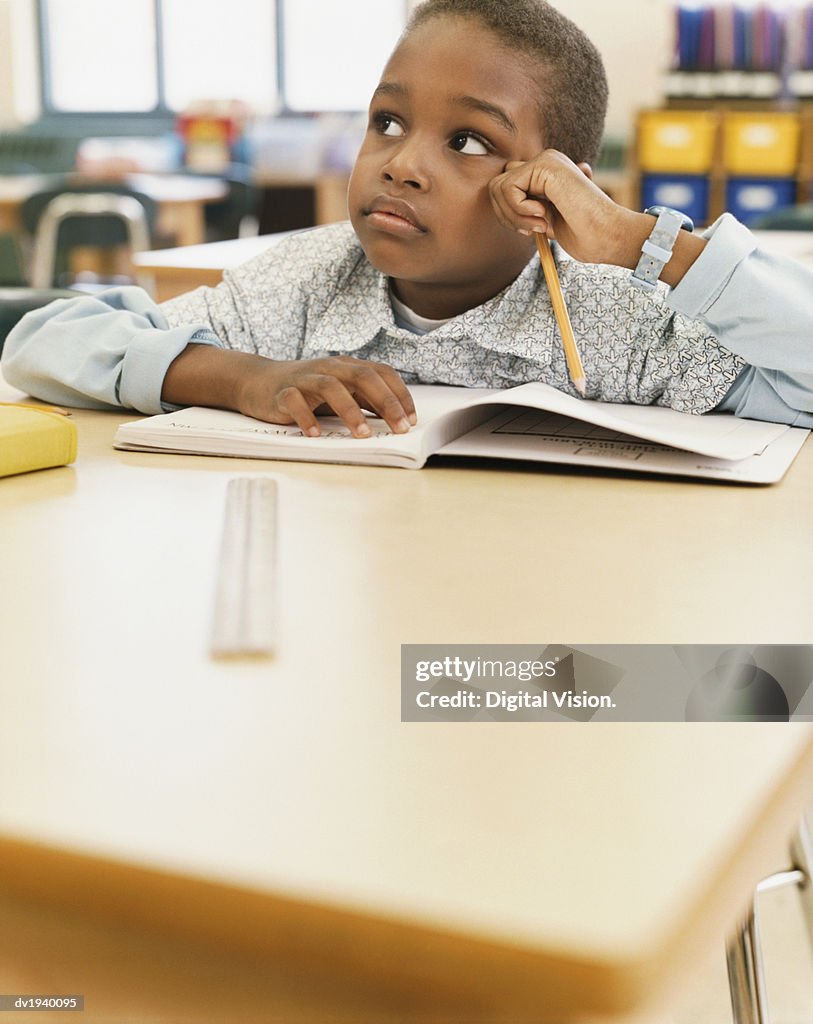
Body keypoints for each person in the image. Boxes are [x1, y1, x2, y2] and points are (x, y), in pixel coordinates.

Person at [4, 0, 813, 437]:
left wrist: (633, 241)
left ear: (551, 182)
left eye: (466, 140)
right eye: (387, 122)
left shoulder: (621, 321)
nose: (399, 162)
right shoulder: (301, 285)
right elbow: (45, 342)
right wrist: (244, 378)